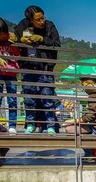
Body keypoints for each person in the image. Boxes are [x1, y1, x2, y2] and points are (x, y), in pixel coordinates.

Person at [14, 5, 61, 134]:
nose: (42, 21)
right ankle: (30, 124)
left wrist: (42, 39)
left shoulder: (49, 26)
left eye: (42, 17)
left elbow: (56, 44)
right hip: (28, 67)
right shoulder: (22, 25)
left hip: (45, 67)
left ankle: (50, 125)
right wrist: (21, 40)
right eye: (38, 19)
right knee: (29, 98)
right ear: (30, 20)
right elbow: (14, 39)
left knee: (48, 98)